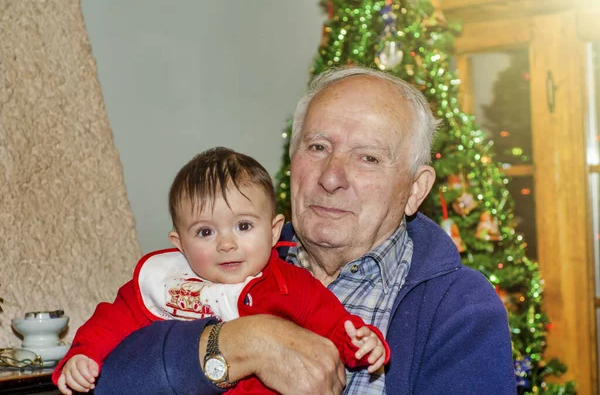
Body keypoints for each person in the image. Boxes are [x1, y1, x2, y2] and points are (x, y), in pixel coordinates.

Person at [94, 66, 517, 395]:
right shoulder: (224, 260)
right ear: (292, 163)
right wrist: (244, 342)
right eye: (317, 148)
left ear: (415, 189)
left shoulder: (459, 308)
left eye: (368, 157)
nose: (331, 177)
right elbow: (105, 380)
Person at [53, 147, 389, 395]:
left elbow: (332, 320)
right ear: (179, 243)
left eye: (243, 226)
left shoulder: (290, 285)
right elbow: (110, 322)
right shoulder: (167, 283)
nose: (226, 244)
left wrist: (360, 342)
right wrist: (84, 354)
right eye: (205, 232)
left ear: (273, 232)